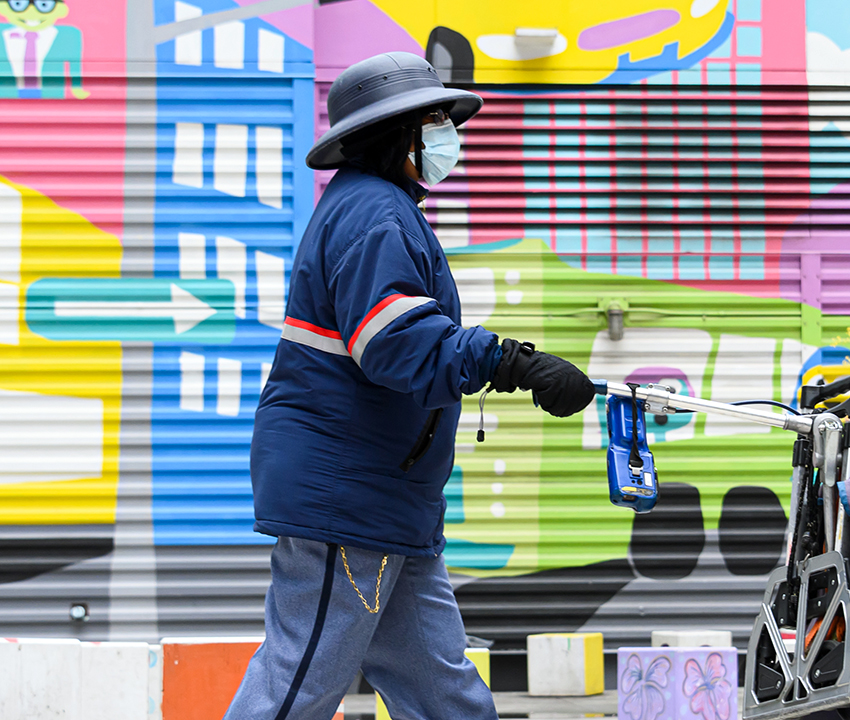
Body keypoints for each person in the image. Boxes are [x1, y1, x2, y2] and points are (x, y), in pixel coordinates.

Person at [223, 52, 596, 720]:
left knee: (441, 691)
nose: (447, 139)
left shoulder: (380, 209)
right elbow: (395, 342)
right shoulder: (374, 215)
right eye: (432, 123)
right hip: (348, 500)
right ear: (393, 135)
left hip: (388, 503)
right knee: (299, 680)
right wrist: (513, 362)